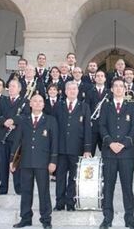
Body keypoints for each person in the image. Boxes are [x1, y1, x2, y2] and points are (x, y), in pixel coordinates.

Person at [10, 94, 58, 229]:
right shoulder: (23, 120)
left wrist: (53, 161)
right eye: (35, 101)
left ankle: (46, 220)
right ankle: (25, 218)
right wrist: (12, 160)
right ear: (30, 104)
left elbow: (54, 143)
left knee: (44, 192)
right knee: (26, 191)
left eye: (40, 101)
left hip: (43, 163)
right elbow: (17, 141)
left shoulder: (50, 120)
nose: (37, 103)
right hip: (25, 162)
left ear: (44, 104)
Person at [99, 78, 134, 229]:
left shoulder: (132, 106)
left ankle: (130, 219)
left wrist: (124, 144)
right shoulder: (106, 106)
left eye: (121, 86)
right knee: (108, 188)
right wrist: (110, 142)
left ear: (125, 89)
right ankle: (107, 219)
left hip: (126, 154)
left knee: (127, 188)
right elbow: (101, 126)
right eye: (115, 86)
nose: (118, 88)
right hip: (109, 153)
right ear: (111, 89)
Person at [54, 81, 92, 211]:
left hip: (77, 148)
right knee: (60, 177)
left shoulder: (84, 107)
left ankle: (70, 202)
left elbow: (87, 128)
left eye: (74, 89)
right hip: (60, 149)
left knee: (74, 177)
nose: (72, 91)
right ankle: (59, 202)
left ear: (78, 91)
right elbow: (54, 129)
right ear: (65, 91)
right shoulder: (58, 106)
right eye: (69, 89)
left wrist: (87, 148)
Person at [0, 79, 30, 195]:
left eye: (13, 86)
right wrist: (4, 122)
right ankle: (3, 188)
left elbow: (27, 116)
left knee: (16, 164)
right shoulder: (2, 101)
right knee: (3, 163)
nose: (11, 89)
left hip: (17, 138)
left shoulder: (25, 101)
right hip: (3, 136)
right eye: (9, 86)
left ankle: (18, 188)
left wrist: (14, 120)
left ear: (19, 89)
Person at [85, 70, 111, 156]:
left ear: (105, 79)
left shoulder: (110, 93)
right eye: (98, 76)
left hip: (106, 126)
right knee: (90, 151)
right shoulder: (89, 92)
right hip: (93, 126)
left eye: (102, 76)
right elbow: (87, 108)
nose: (100, 78)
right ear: (95, 79)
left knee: (107, 152)